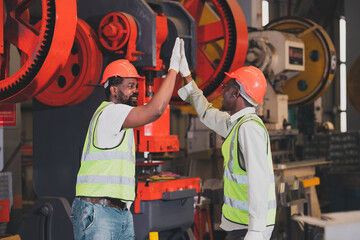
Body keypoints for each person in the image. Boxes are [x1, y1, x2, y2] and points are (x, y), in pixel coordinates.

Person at [71, 37, 184, 240]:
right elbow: (156, 110)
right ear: (113, 89)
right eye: (130, 85)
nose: (136, 91)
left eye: (136, 86)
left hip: (119, 211)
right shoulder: (110, 113)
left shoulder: (120, 117)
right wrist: (173, 70)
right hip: (99, 212)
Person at [177, 40, 276, 240]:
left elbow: (259, 179)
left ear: (236, 92)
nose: (222, 91)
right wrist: (186, 75)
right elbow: (206, 112)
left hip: (250, 228)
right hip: (240, 224)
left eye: (226, 86)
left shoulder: (248, 128)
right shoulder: (236, 124)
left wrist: (256, 229)